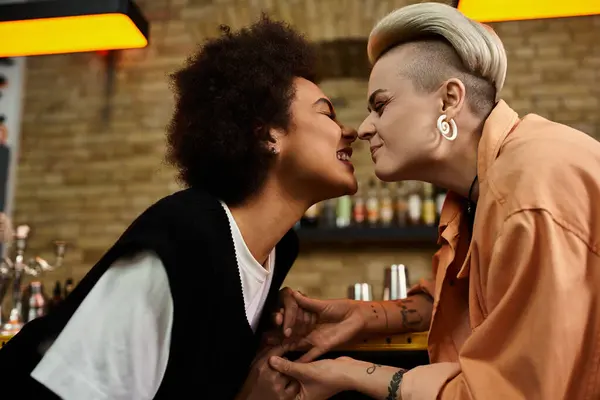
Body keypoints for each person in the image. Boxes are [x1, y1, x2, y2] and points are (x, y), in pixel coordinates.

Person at [0, 16, 358, 400]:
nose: (350, 130)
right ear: (267, 134)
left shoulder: (279, 249)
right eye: (327, 112)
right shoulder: (185, 237)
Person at [267, 3, 600, 400]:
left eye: (381, 105)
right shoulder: (478, 191)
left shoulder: (528, 192)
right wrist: (366, 316)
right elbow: (476, 298)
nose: (365, 128)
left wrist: (354, 374)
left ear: (449, 100)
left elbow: (508, 393)